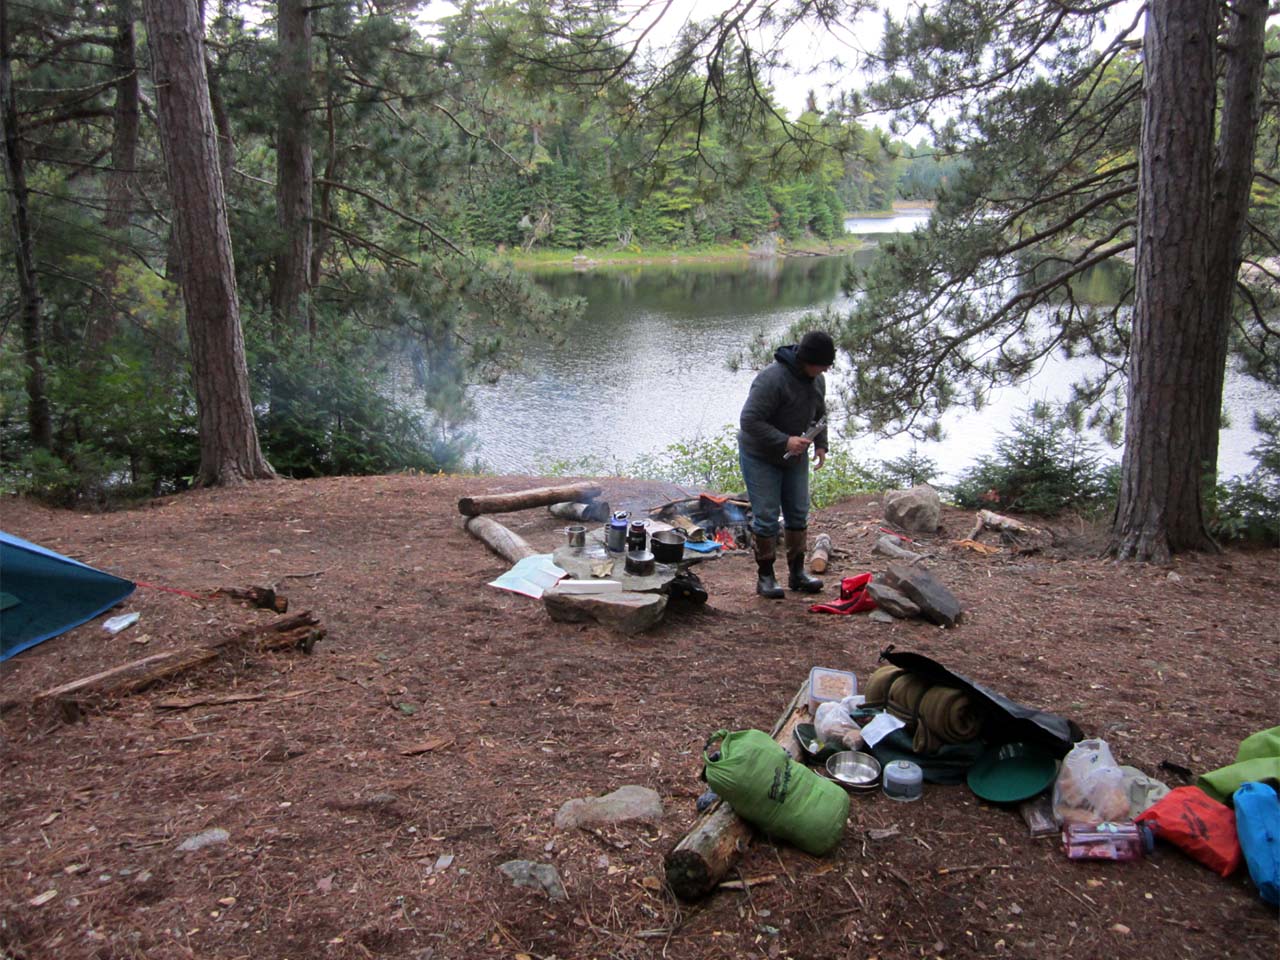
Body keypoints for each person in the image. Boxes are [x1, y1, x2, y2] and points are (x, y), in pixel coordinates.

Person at [737, 330, 834, 599]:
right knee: (767, 516)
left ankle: (797, 574)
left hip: (795, 455)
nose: (826, 369)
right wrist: (785, 441)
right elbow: (749, 421)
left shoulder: (817, 381)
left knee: (798, 512)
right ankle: (765, 577)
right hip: (759, 455)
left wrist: (821, 444)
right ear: (808, 359)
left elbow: (819, 414)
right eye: (823, 363)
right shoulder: (771, 379)